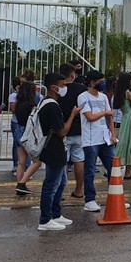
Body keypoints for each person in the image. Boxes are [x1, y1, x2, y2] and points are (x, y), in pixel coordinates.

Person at [36, 72, 78, 231]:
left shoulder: (46, 102)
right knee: (51, 184)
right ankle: (45, 219)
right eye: (63, 86)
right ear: (54, 87)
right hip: (54, 148)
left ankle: (55, 213)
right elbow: (61, 132)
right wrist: (73, 115)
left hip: (56, 148)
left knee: (61, 182)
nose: (65, 88)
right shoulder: (52, 106)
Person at [78, 70, 117, 213]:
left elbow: (109, 117)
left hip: (105, 138)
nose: (103, 84)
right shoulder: (83, 97)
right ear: (92, 82)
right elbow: (89, 117)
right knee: (90, 170)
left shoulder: (104, 97)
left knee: (113, 168)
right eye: (100, 82)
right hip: (90, 139)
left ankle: (115, 197)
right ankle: (90, 200)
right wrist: (105, 113)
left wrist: (112, 135)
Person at [56, 63, 88, 198]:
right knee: (79, 160)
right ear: (73, 74)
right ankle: (79, 190)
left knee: (62, 162)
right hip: (80, 129)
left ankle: (60, 191)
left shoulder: (57, 90)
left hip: (63, 130)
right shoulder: (82, 89)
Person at [13, 81, 38, 196]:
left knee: (21, 162)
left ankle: (20, 184)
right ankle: (22, 183)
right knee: (37, 161)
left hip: (18, 132)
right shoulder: (31, 105)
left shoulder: (19, 104)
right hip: (28, 134)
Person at [113, 72, 131, 178]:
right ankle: (127, 172)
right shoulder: (128, 92)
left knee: (125, 142)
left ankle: (122, 171)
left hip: (125, 118)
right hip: (130, 117)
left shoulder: (119, 93)